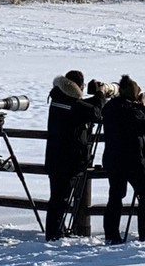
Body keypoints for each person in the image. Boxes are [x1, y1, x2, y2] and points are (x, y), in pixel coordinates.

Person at [44, 71, 104, 240]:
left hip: (56, 158)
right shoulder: (71, 105)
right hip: (67, 160)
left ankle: (56, 231)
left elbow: (80, 106)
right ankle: (54, 235)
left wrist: (97, 98)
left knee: (58, 198)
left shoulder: (59, 98)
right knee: (60, 199)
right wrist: (100, 95)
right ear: (79, 86)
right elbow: (95, 113)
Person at [102, 75, 145, 243]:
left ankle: (111, 235)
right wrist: (142, 106)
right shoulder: (131, 111)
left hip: (113, 160)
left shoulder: (111, 107)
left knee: (115, 197)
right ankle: (144, 234)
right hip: (133, 161)